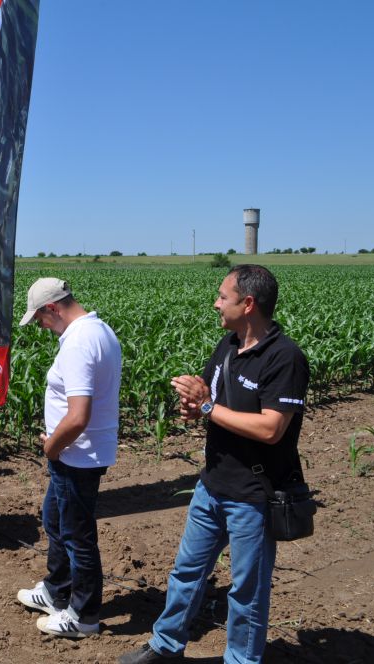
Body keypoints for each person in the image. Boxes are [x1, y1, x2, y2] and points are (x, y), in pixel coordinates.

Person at [119, 265, 310, 664]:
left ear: (249, 303)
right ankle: (165, 646)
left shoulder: (284, 358)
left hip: (254, 497)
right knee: (186, 574)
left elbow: (271, 428)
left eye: (223, 297)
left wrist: (208, 407)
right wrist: (194, 404)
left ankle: (241, 660)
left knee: (247, 591)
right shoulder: (227, 344)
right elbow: (212, 400)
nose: (216, 303)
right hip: (212, 485)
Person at [13, 278, 121, 639]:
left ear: (53, 308)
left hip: (77, 454)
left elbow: (78, 416)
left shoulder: (78, 342)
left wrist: (52, 447)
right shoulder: (99, 329)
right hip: (79, 452)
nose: (41, 326)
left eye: (40, 319)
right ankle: (56, 590)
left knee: (77, 535)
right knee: (55, 520)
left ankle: (83, 616)